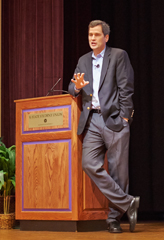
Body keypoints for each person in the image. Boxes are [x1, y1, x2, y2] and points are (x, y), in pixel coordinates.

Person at [68, 20, 140, 233]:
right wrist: (76, 87)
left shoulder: (118, 56)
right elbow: (72, 87)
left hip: (115, 119)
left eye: (97, 35)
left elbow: (126, 89)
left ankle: (113, 220)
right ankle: (129, 202)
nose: (92, 38)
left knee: (119, 172)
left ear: (106, 37)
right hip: (92, 121)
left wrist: (126, 118)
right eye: (90, 34)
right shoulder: (83, 60)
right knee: (89, 163)